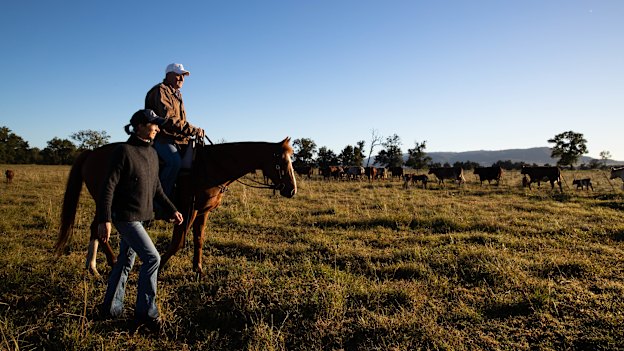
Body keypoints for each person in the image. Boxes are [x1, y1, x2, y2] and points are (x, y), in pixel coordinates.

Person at [96, 109, 184, 333]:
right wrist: (105, 218)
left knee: (125, 261)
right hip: (125, 217)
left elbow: (157, 189)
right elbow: (108, 187)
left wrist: (172, 209)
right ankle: (146, 315)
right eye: (152, 124)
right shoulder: (123, 151)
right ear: (139, 126)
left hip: (142, 217)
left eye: (157, 124)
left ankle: (110, 309)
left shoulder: (153, 154)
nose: (156, 128)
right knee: (152, 258)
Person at [145, 63, 205, 200]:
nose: (181, 79)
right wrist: (192, 129)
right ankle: (159, 201)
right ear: (169, 75)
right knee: (174, 162)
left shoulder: (177, 94)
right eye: (178, 75)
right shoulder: (160, 90)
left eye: (183, 76)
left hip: (178, 138)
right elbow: (168, 119)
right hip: (162, 137)